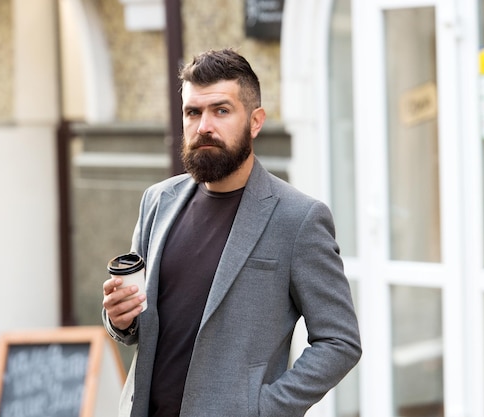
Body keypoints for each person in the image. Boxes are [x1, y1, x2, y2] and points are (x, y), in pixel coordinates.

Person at [102, 48, 361, 417]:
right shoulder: (157, 201)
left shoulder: (299, 218)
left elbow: (340, 341)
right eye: (193, 112)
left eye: (221, 110)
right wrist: (119, 318)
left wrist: (264, 408)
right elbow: (141, 325)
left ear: (255, 121)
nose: (204, 125)